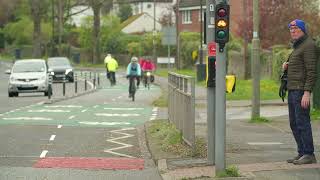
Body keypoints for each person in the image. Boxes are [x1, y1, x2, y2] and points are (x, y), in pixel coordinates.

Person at [284, 19, 317, 165]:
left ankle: (309, 154)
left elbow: (311, 71)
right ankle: (302, 152)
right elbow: (299, 66)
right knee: (294, 123)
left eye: (296, 28)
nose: (292, 31)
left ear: (303, 30)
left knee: (302, 122)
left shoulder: (308, 45)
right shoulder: (298, 46)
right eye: (291, 29)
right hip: (293, 90)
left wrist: (307, 92)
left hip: (300, 91)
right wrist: (287, 66)